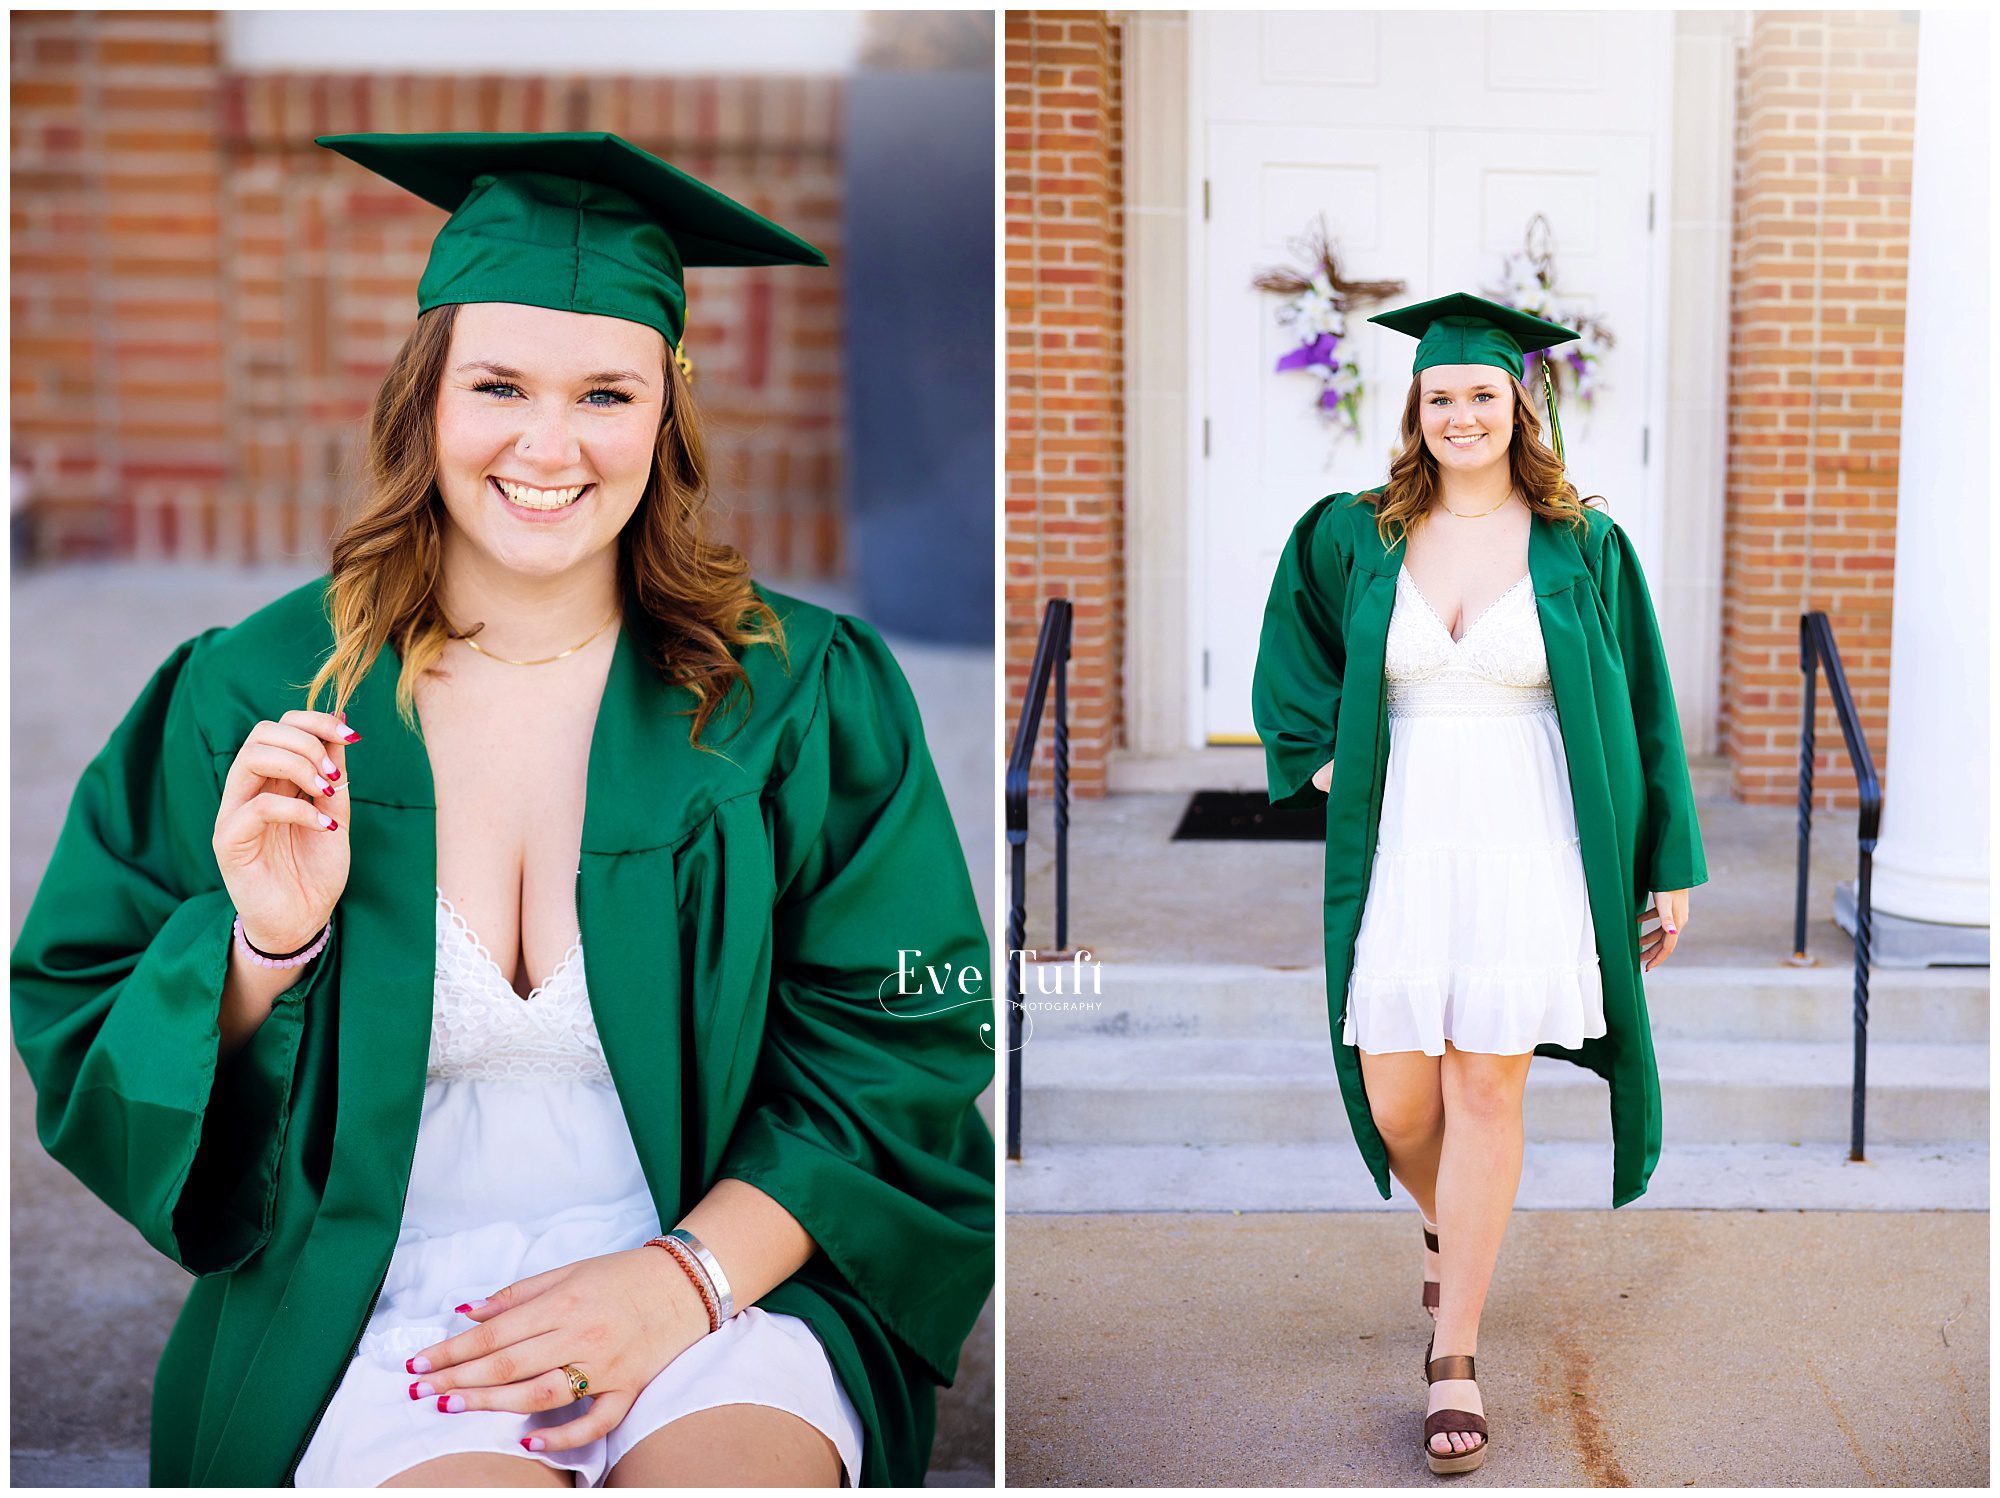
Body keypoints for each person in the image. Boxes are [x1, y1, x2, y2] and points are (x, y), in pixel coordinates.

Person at [10, 131, 995, 1489]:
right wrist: (261, 950)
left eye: (605, 392)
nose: (550, 444)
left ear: (667, 412)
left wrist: (682, 1280)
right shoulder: (255, 696)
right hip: (378, 1296)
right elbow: (85, 1019)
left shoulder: (802, 694)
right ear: (425, 401)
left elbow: (911, 1031)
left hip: (721, 1273)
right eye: (499, 386)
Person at [1251, 291, 1708, 1475]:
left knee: (1486, 1090)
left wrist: (1667, 862)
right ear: (1415, 406)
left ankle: (1452, 1354)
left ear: (1519, 404)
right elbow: (1291, 643)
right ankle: (1450, 1226)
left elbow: (1645, 705)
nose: (1461, 413)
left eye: (1482, 395)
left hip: (1529, 839)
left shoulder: (1581, 541)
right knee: (1398, 1098)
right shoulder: (1357, 531)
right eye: (1441, 394)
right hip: (1404, 838)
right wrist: (1314, 760)